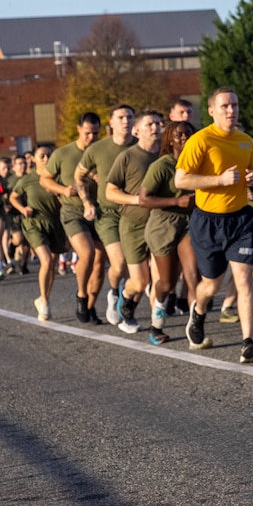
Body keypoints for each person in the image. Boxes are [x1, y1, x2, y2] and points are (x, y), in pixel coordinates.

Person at [174, 87, 253, 362]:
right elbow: (181, 181)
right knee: (211, 286)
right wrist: (218, 180)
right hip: (208, 222)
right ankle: (198, 313)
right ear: (212, 111)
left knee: (243, 281)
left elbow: (249, 178)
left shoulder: (245, 140)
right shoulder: (200, 141)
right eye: (224, 106)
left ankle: (248, 343)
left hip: (241, 220)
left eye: (234, 105)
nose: (231, 111)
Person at [105, 111, 185, 342]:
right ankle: (126, 296)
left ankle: (155, 328)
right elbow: (110, 192)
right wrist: (136, 200)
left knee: (160, 279)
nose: (156, 127)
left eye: (159, 123)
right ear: (136, 130)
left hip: (161, 224)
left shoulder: (168, 156)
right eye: (149, 123)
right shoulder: (128, 157)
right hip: (133, 224)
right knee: (139, 281)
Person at [75, 104, 137, 328]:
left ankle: (127, 304)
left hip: (136, 213)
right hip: (108, 213)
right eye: (120, 117)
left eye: (129, 117)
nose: (126, 121)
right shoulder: (98, 149)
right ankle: (114, 294)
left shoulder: (142, 147)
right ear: (111, 122)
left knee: (139, 270)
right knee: (119, 264)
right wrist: (86, 202)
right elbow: (79, 175)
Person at [39, 113, 104, 324]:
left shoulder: (102, 152)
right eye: (87, 133)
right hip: (73, 211)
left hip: (99, 210)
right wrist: (64, 190)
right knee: (87, 253)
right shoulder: (63, 153)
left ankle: (90, 305)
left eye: (95, 133)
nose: (91, 138)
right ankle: (81, 295)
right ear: (78, 129)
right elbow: (45, 180)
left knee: (100, 262)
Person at [142, 121, 200, 341]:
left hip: (189, 223)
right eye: (179, 135)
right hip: (163, 224)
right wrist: (177, 201)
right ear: (170, 139)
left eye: (188, 134)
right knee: (167, 281)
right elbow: (143, 199)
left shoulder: (198, 164)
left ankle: (195, 326)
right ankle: (156, 325)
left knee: (193, 273)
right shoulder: (162, 165)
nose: (184, 138)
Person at [10, 144, 65, 321]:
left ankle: (43, 299)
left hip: (55, 223)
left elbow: (66, 199)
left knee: (52, 265)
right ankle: (45, 305)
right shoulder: (27, 179)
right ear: (33, 159)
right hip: (34, 223)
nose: (46, 159)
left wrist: (57, 193)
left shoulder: (57, 178)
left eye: (49, 155)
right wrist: (22, 209)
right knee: (47, 260)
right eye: (41, 155)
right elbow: (13, 196)